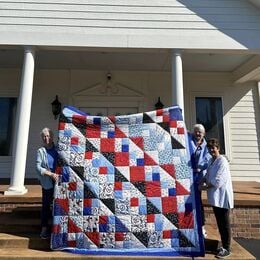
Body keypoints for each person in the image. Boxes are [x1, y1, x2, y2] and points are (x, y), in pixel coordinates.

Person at [200, 138, 234, 259]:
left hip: (223, 197)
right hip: (215, 198)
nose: (211, 150)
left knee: (225, 224)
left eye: (213, 148)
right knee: (220, 223)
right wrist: (202, 179)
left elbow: (218, 181)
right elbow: (208, 174)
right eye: (209, 148)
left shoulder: (222, 161)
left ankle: (227, 248)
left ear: (218, 148)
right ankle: (224, 246)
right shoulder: (211, 161)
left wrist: (204, 187)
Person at [188, 123, 211, 238]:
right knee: (186, 200)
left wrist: (199, 167)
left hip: (198, 178)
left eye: (200, 132)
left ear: (204, 134)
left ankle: (201, 226)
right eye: (196, 131)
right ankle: (188, 225)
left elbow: (207, 160)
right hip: (187, 176)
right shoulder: (188, 140)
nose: (198, 133)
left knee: (197, 201)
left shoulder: (207, 147)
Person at [36, 127, 59, 239]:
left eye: (48, 135)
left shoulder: (58, 149)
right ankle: (44, 229)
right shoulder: (41, 151)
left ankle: (56, 229)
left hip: (59, 182)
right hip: (47, 182)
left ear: (52, 137)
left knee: (58, 205)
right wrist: (50, 174)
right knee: (46, 205)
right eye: (44, 136)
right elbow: (38, 167)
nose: (46, 138)